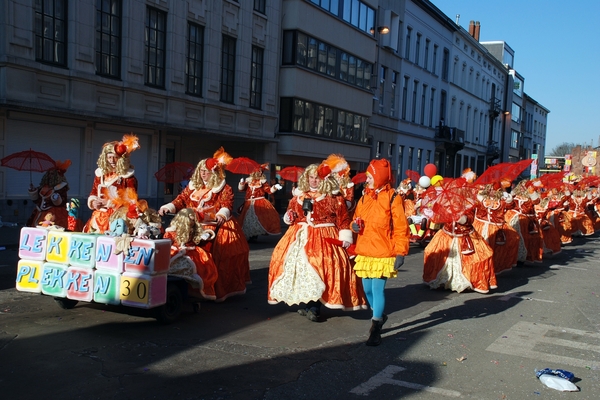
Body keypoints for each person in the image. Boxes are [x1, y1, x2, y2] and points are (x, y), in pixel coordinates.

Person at [267, 163, 367, 322]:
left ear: (325, 179)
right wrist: (290, 217)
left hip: (324, 236)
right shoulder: (298, 196)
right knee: (295, 268)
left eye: (317, 178)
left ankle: (314, 306)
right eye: (311, 177)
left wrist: (345, 239)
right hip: (298, 236)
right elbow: (290, 214)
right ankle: (305, 301)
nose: (314, 181)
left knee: (320, 267)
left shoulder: (335, 197)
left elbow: (343, 220)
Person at [159, 147, 250, 302]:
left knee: (219, 252)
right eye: (201, 170)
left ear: (214, 172)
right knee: (171, 239)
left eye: (206, 171)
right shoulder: (192, 187)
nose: (203, 174)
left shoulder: (224, 188)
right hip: (190, 223)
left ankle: (212, 283)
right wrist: (169, 207)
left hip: (213, 225)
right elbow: (181, 200)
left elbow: (227, 205)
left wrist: (222, 214)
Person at [351, 158, 410, 346]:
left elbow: (401, 228)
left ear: (379, 177)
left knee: (377, 289)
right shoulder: (363, 197)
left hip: (384, 251)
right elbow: (356, 219)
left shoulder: (394, 197)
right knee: (367, 289)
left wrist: (400, 252)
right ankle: (379, 314)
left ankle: (375, 328)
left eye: (369, 176)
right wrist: (354, 226)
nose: (366, 179)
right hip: (365, 250)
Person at [83, 134, 140, 233]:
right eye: (109, 158)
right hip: (99, 217)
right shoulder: (100, 175)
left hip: (118, 219)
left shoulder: (128, 178)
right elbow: (93, 192)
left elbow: (132, 201)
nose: (112, 161)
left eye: (115, 158)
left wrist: (111, 203)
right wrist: (93, 202)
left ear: (121, 159)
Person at [164, 208, 219, 300]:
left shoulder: (194, 230)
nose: (193, 222)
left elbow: (198, 239)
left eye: (194, 220)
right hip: (175, 251)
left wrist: (205, 235)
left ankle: (192, 291)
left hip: (192, 251)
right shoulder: (172, 231)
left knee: (202, 267)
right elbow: (166, 242)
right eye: (191, 220)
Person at [238, 165, 283, 241]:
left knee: (259, 219)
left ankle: (254, 235)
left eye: (261, 172)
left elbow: (269, 190)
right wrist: (241, 183)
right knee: (247, 219)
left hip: (259, 201)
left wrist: (275, 187)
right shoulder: (248, 181)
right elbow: (241, 190)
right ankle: (250, 234)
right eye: (258, 171)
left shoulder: (263, 182)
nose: (260, 173)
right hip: (248, 203)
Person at [26, 160, 72, 229]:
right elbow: (36, 200)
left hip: (54, 213)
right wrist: (33, 190)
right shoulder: (42, 188)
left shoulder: (60, 188)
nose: (51, 176)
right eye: (49, 174)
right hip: (39, 212)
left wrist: (56, 198)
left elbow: (62, 202)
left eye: (53, 175)